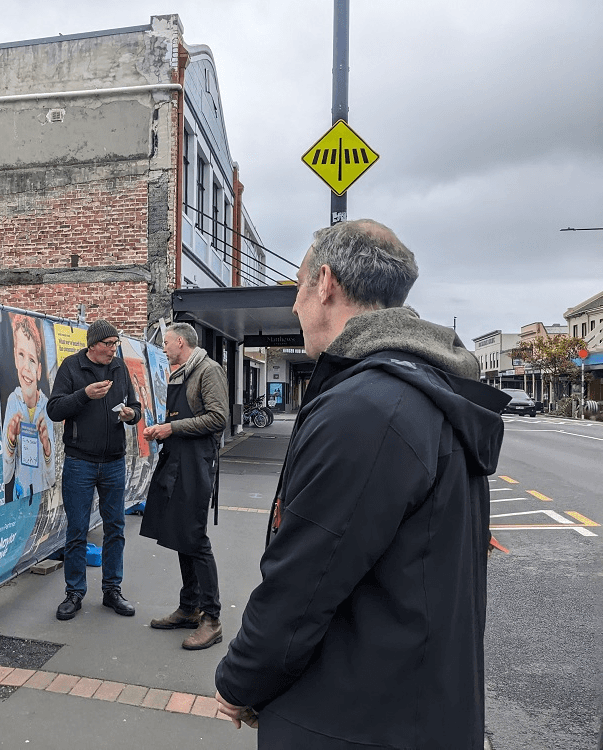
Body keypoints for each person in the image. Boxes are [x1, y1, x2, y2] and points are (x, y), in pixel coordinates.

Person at [214, 220, 509, 748]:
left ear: (324, 283)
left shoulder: (367, 409)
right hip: (413, 701)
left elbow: (304, 577)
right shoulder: (420, 388)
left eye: (298, 289)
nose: (294, 308)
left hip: (357, 716)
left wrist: (240, 681)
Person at [140, 322, 229, 650]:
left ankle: (212, 618)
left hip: (195, 465)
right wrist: (162, 429)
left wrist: (171, 428)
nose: (163, 348)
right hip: (176, 461)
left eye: (166, 342)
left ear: (181, 341)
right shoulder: (180, 372)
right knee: (179, 533)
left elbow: (218, 418)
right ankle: (189, 607)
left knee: (194, 537)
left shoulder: (208, 370)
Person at [46, 319, 141, 620]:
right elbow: (54, 409)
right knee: (77, 529)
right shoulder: (71, 368)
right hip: (80, 462)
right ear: (92, 345)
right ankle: (74, 593)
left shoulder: (120, 368)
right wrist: (85, 394)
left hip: (114, 460)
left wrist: (130, 414)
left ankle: (112, 590)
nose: (113, 350)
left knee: (115, 528)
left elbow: (137, 408)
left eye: (116, 344)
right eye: (108, 345)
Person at [1, 314, 55, 502]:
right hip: (21, 497)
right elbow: (5, 476)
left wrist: (47, 447)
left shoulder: (47, 406)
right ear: (15, 358)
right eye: (21, 356)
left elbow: (51, 478)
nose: (26, 367)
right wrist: (10, 441)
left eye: (32, 360)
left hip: (41, 500)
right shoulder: (12, 402)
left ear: (39, 370)